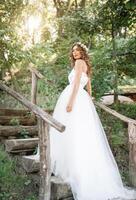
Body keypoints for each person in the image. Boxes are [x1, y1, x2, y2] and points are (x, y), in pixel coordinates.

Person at [49, 42, 136, 200]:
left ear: (82, 52)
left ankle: (71, 167)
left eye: (77, 50)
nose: (75, 53)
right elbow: (88, 83)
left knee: (71, 131)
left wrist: (71, 102)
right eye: (73, 51)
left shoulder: (79, 63)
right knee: (83, 132)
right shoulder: (86, 65)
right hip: (83, 99)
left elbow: (76, 84)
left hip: (75, 97)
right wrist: (89, 96)